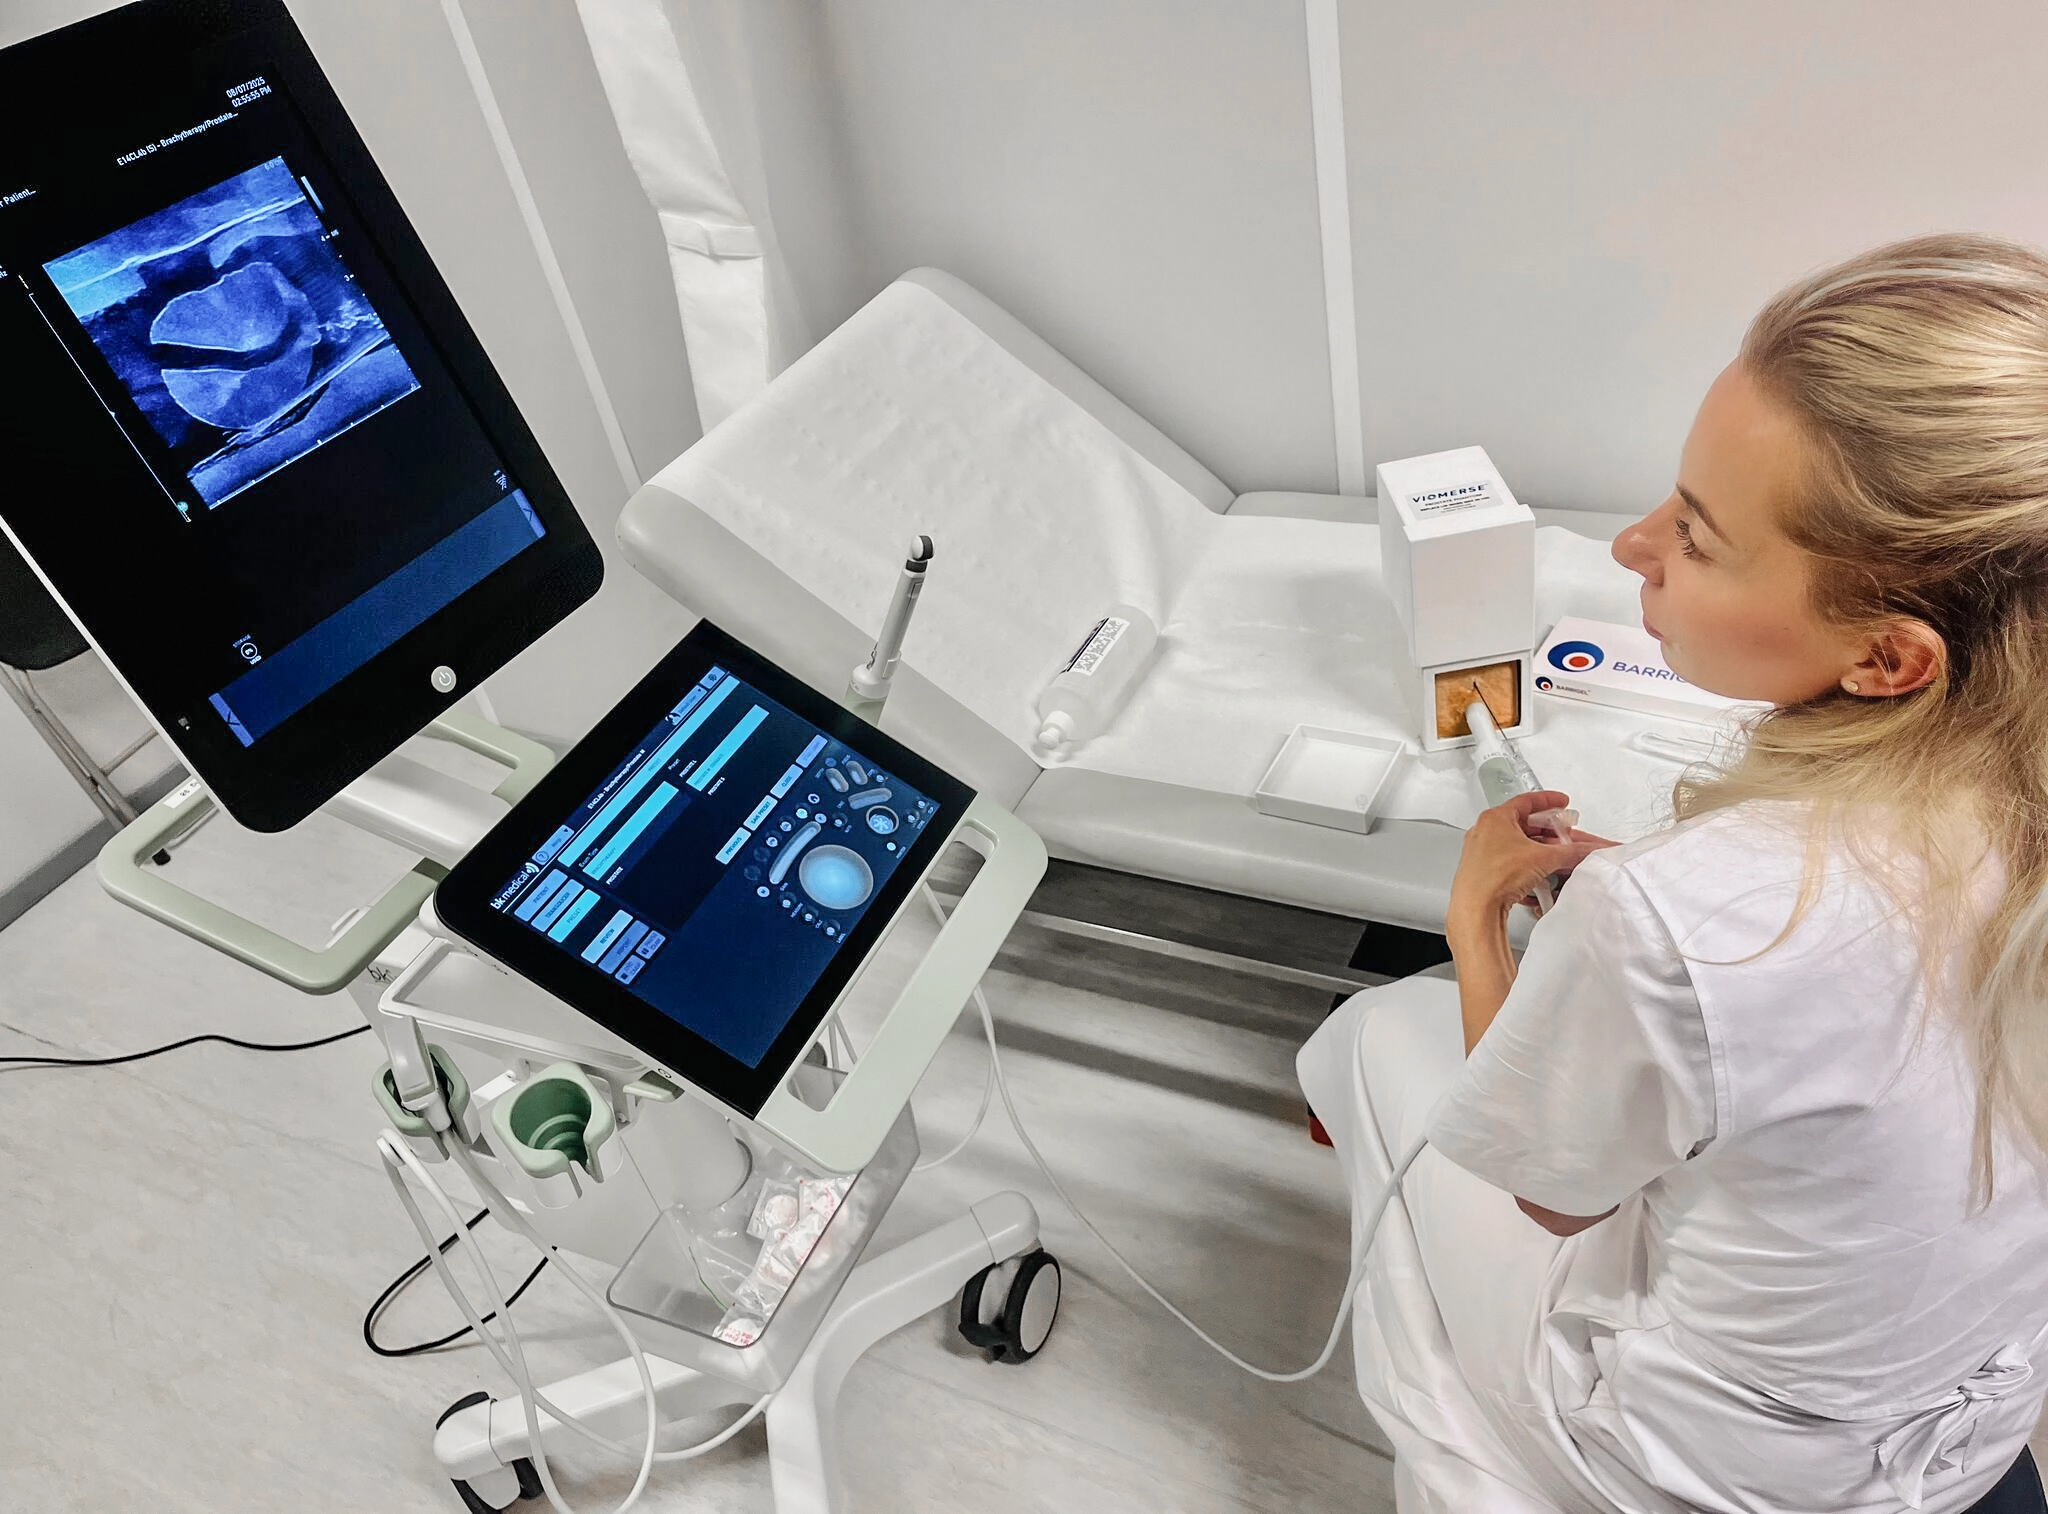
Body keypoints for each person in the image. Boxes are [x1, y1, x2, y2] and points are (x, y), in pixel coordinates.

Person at [1300, 234, 2048, 1514]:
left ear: (1885, 658)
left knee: (1375, 1038)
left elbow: (1548, 1197)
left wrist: (1476, 922)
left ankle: (1478, 1459)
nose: (1629, 545)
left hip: (1717, 1471)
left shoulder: (1671, 911)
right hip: (1962, 1420)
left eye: (1695, 539)